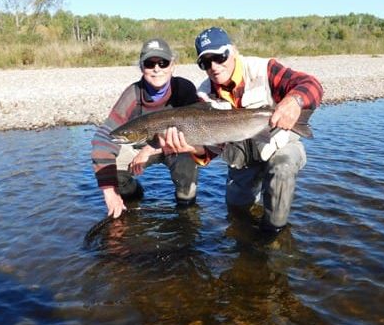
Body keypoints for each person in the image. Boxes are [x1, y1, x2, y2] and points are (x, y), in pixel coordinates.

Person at [160, 27, 323, 234]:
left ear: (233, 51)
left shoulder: (263, 69)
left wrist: (295, 101)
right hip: (241, 160)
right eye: (206, 62)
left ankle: (274, 234)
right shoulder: (204, 95)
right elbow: (212, 148)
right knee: (236, 211)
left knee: (282, 168)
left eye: (220, 57)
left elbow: (311, 84)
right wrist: (192, 148)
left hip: (278, 146)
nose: (214, 67)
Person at [91, 38, 200, 218]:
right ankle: (133, 196)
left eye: (163, 63)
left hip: (176, 146)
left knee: (188, 162)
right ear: (142, 68)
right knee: (113, 167)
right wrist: (109, 192)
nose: (157, 69)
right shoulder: (132, 94)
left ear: (173, 66)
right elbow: (103, 138)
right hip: (137, 145)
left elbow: (197, 127)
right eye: (150, 64)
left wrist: (149, 150)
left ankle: (186, 210)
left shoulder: (184, 89)